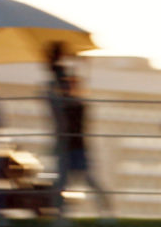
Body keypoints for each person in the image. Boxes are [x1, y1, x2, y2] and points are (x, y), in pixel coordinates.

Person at [48, 69, 113, 217]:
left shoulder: (77, 105)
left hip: (77, 148)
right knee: (62, 182)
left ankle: (106, 211)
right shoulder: (63, 104)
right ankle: (60, 212)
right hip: (66, 148)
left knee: (89, 180)